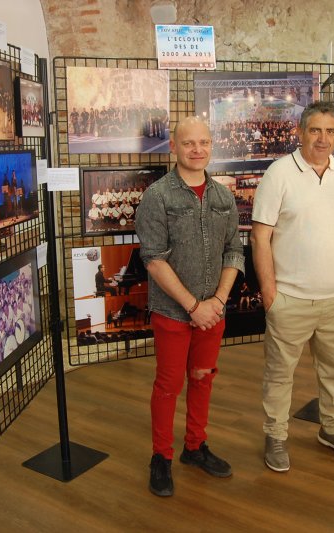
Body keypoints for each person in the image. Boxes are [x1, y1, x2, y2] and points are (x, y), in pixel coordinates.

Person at [251, 101, 334, 471]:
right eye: (315, 130)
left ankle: (332, 429)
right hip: (290, 298)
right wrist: (270, 294)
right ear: (299, 132)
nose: (322, 138)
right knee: (279, 374)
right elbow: (260, 237)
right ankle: (276, 435)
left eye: (330, 131)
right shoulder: (279, 174)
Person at [135, 116, 244, 497]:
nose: (197, 149)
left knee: (202, 377)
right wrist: (193, 306)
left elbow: (234, 250)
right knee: (168, 385)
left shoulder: (223, 197)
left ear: (212, 145)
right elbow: (153, 259)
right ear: (174, 147)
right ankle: (161, 457)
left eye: (204, 142)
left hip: (213, 312)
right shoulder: (158, 196)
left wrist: (217, 301)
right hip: (173, 312)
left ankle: (195, 446)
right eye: (188, 143)